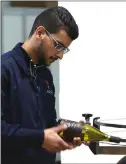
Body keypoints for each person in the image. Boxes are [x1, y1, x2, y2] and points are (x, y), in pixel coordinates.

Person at [1, 6, 86, 164]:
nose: (60, 55)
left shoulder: (44, 75)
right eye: (58, 46)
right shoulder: (4, 69)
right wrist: (40, 138)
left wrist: (67, 131)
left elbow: (46, 125)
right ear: (40, 33)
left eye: (64, 50)